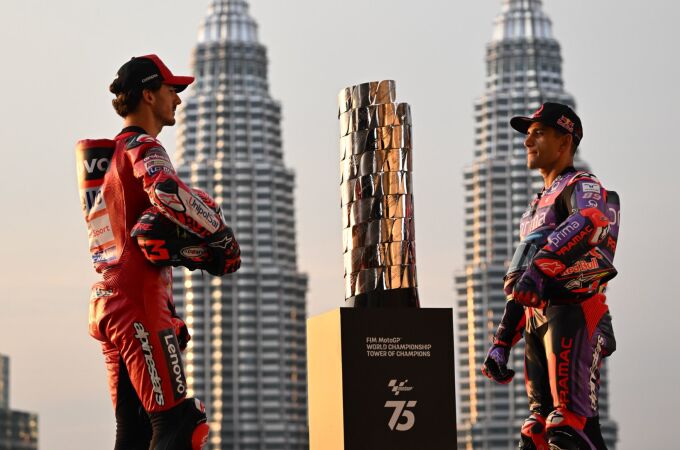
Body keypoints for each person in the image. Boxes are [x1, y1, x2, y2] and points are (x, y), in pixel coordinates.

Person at [76, 54, 239, 449]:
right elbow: (167, 191)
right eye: (172, 90)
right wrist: (218, 234)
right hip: (139, 299)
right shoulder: (143, 145)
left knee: (133, 434)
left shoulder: (105, 157)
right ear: (148, 95)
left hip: (107, 301)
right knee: (180, 426)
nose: (178, 100)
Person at [480, 103, 619, 450]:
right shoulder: (534, 206)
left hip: (574, 310)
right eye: (527, 136)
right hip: (534, 319)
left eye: (537, 133)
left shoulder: (581, 183)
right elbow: (523, 280)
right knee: (535, 430)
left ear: (564, 141)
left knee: (569, 426)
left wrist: (542, 266)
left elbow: (591, 219)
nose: (528, 142)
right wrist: (501, 341)